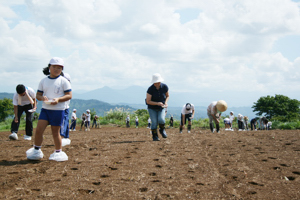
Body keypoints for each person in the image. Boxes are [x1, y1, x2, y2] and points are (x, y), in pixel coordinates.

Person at [26, 57, 72, 161]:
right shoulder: (43, 81)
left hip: (58, 110)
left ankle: (58, 151)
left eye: (59, 68)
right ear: (49, 67)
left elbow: (69, 95)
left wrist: (58, 99)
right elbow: (38, 95)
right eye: (54, 67)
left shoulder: (64, 81)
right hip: (45, 109)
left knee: (55, 132)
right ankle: (36, 150)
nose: (57, 69)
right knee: (38, 130)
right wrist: (42, 98)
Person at [146, 73, 169, 141]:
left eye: (158, 82)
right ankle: (155, 136)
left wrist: (165, 102)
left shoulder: (164, 87)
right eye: (155, 83)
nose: (157, 84)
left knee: (161, 119)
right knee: (154, 122)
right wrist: (157, 103)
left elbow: (167, 95)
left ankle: (162, 130)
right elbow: (148, 101)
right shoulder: (150, 89)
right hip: (152, 108)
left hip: (161, 107)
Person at [60, 73, 71, 147]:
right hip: (65, 106)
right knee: (65, 120)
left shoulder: (64, 82)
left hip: (63, 106)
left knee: (63, 121)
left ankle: (63, 137)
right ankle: (66, 137)